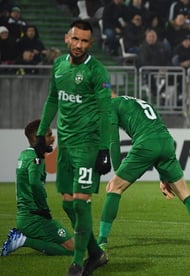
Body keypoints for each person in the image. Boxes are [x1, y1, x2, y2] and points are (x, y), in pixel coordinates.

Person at [33, 20, 112, 276]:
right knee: (67, 204)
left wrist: (104, 149)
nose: (79, 45)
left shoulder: (97, 71)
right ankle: (97, 254)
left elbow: (105, 111)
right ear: (68, 38)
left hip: (88, 145)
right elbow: (53, 99)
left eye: (84, 41)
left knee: (80, 204)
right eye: (75, 39)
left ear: (92, 43)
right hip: (65, 145)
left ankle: (78, 263)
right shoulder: (58, 65)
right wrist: (41, 134)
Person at [97, 92, 190, 252]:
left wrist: (118, 172)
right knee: (185, 193)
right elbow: (155, 133)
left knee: (114, 187)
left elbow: (113, 140)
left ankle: (101, 241)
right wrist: (164, 177)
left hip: (146, 143)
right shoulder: (139, 101)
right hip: (166, 141)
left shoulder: (110, 106)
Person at [1, 119, 74, 257]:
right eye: (49, 135)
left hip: (25, 216)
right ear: (36, 138)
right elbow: (34, 183)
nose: (53, 139)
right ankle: (23, 240)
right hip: (35, 218)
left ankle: (22, 238)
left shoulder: (24, 154)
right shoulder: (37, 159)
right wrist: (44, 208)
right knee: (74, 250)